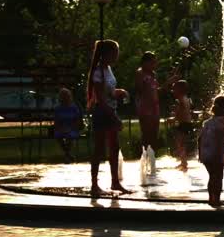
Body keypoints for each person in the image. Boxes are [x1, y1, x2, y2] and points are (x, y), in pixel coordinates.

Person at [87, 40, 130, 196]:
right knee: (99, 149)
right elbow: (100, 98)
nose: (117, 56)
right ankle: (94, 184)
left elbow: (109, 92)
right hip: (102, 112)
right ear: (106, 54)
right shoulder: (98, 72)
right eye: (115, 53)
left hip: (110, 110)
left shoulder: (109, 70)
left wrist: (120, 92)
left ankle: (115, 182)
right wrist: (113, 117)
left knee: (114, 148)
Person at [135, 51, 178, 153]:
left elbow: (157, 91)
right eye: (152, 63)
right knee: (146, 134)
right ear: (145, 62)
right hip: (145, 108)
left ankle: (152, 159)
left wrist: (168, 83)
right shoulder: (140, 73)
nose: (155, 65)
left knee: (154, 135)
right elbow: (139, 90)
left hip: (155, 108)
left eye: (155, 63)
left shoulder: (153, 74)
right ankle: (145, 158)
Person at [198, 95, 224, 207]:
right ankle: (216, 199)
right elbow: (220, 136)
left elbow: (200, 138)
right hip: (216, 153)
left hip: (206, 153)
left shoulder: (207, 122)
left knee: (212, 176)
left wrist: (200, 153)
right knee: (218, 177)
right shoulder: (223, 121)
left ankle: (211, 199)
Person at [53, 88, 82, 163]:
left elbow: (77, 120)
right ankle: (68, 154)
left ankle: (67, 155)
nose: (65, 98)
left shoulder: (74, 108)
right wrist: (61, 128)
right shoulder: (58, 108)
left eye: (67, 96)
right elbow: (56, 122)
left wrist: (71, 128)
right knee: (58, 136)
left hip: (72, 128)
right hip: (61, 129)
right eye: (63, 96)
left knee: (70, 136)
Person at [172, 80, 192, 172]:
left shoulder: (179, 100)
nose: (173, 91)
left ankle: (184, 163)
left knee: (180, 144)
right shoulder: (187, 98)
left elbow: (179, 113)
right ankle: (183, 162)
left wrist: (173, 118)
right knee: (182, 144)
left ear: (179, 90)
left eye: (174, 89)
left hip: (182, 124)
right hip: (187, 123)